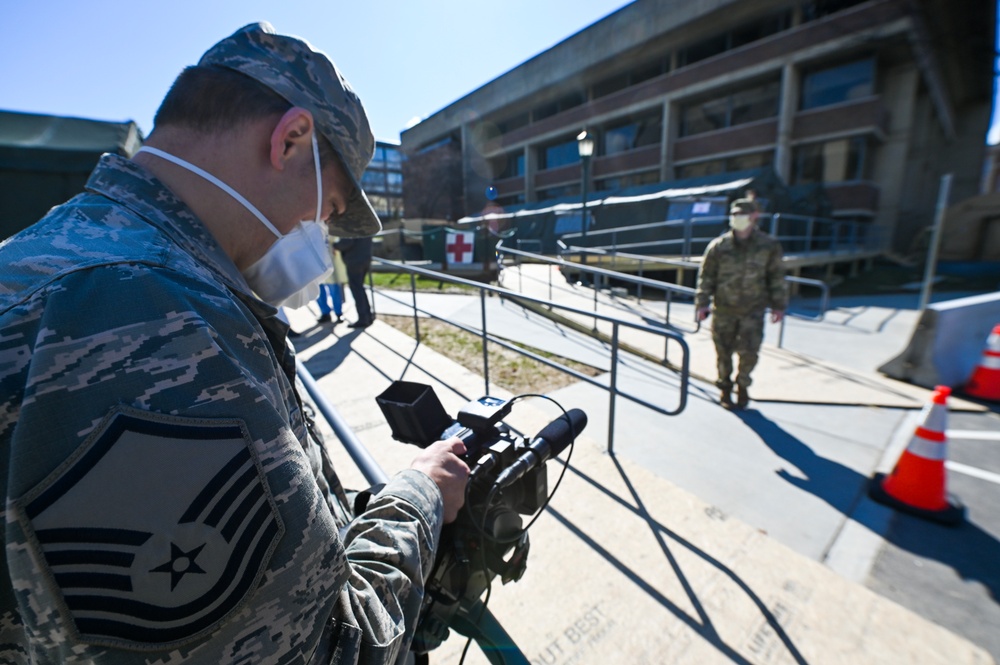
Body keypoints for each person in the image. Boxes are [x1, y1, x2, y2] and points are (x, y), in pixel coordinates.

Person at [0, 22, 469, 665]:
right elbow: (326, 649)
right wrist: (418, 497)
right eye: (329, 209)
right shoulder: (148, 319)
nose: (321, 238)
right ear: (291, 139)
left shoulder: (60, 259)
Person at [695, 197, 788, 410]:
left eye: (742, 215)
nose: (737, 218)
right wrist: (702, 303)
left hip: (753, 311)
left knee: (749, 353)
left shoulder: (768, 246)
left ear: (754, 217)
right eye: (734, 214)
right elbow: (706, 277)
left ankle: (743, 386)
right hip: (724, 310)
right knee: (723, 352)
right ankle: (725, 388)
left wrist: (779, 305)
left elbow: (776, 277)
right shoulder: (719, 246)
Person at [335, 235, 375, 328]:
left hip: (354, 261)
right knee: (360, 288)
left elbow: (346, 242)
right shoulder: (364, 223)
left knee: (357, 290)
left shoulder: (351, 225)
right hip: (365, 259)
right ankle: (368, 316)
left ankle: (363, 319)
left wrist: (335, 245)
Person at [317, 234, 348, 324]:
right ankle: (325, 312)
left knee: (334, 288)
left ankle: (338, 313)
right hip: (316, 262)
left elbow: (335, 237)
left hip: (330, 259)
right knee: (318, 289)